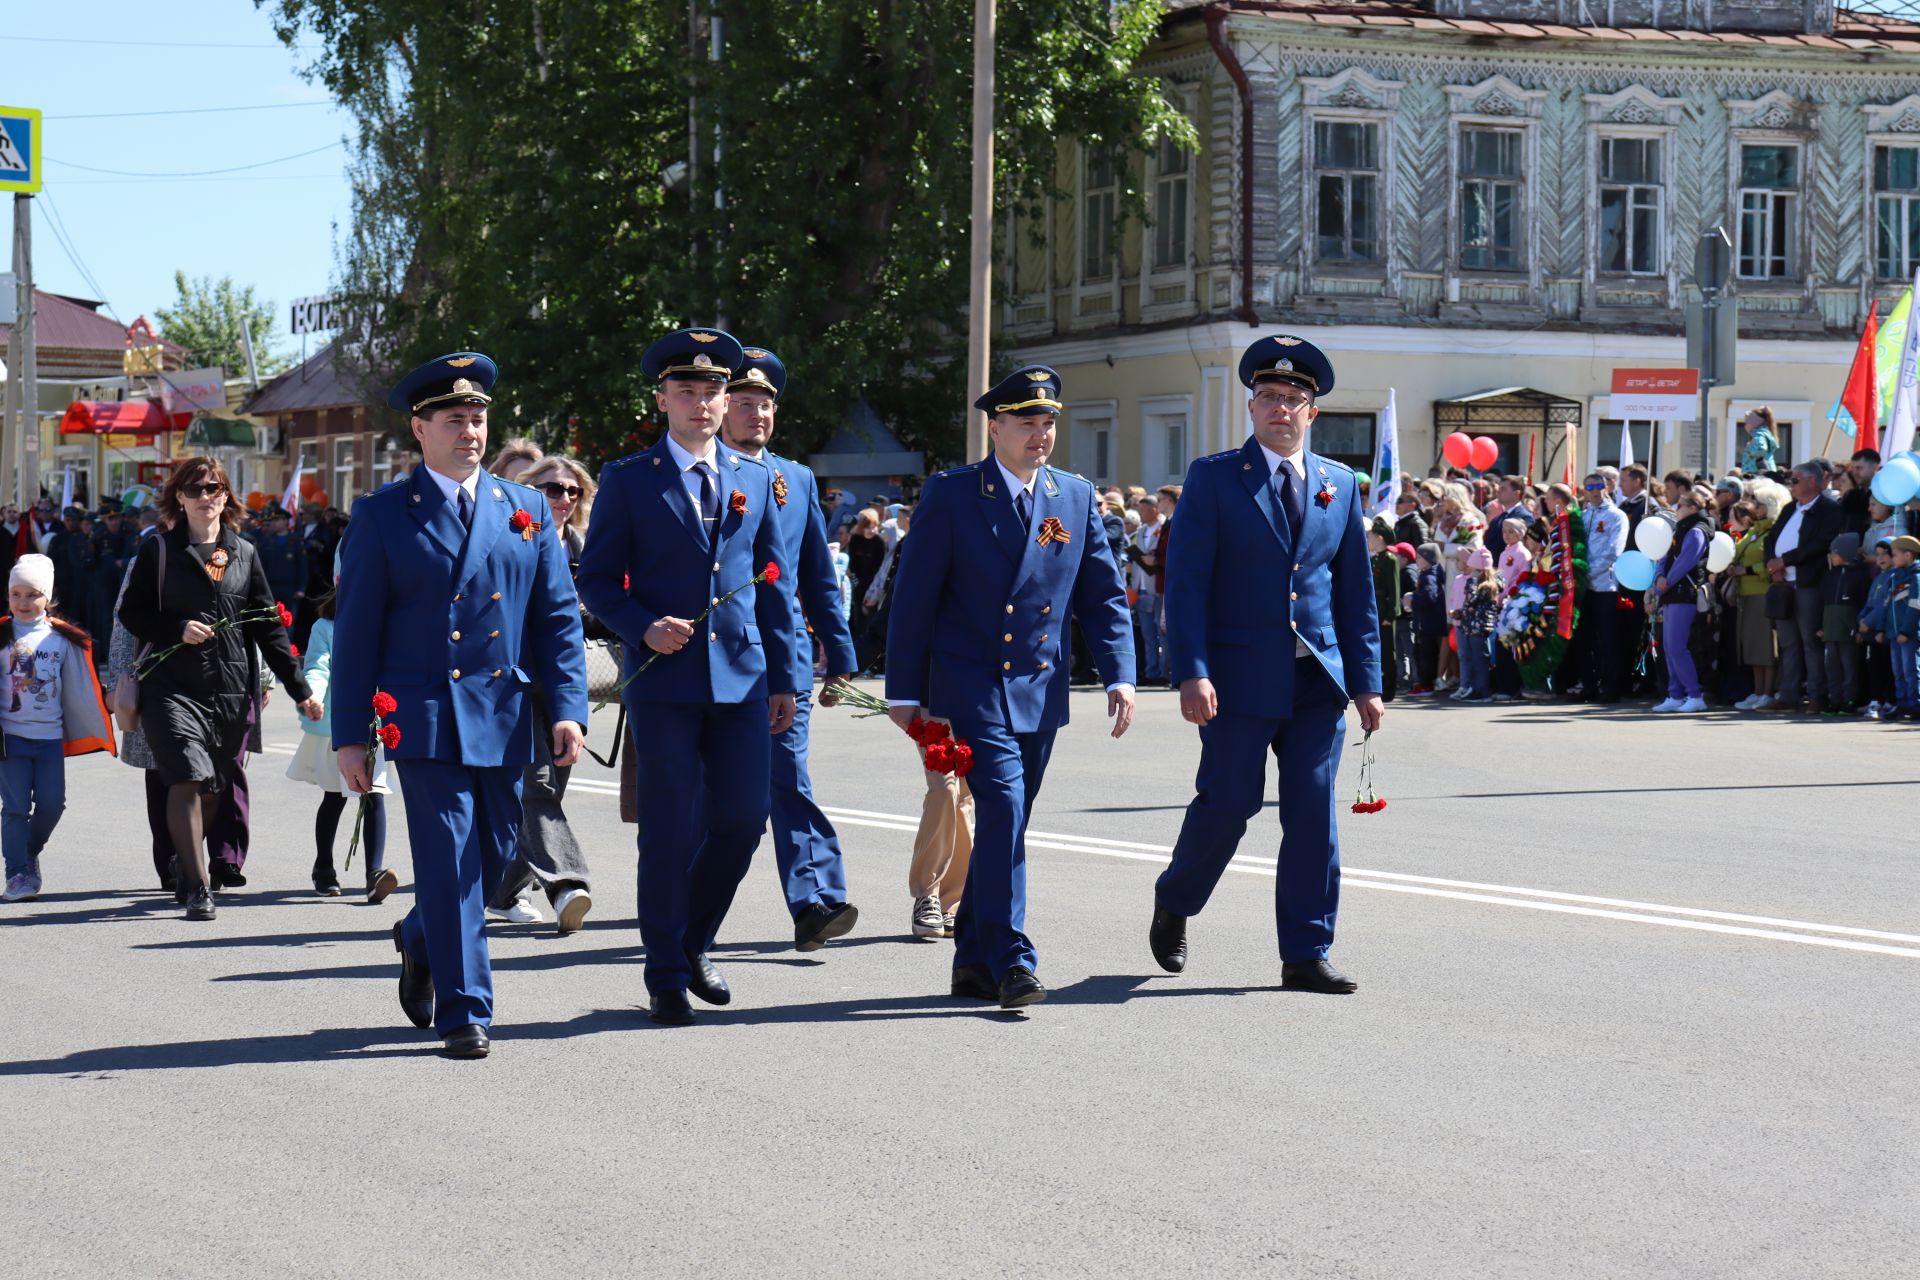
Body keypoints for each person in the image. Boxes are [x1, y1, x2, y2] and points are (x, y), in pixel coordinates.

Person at [333, 353, 588, 1058]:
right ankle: (465, 1009)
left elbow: (556, 618)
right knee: (447, 859)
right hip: (424, 710)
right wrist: (350, 735)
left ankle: (419, 937)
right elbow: (356, 633)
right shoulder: (384, 515)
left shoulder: (526, 509)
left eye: (478, 419)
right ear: (420, 429)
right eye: (455, 420)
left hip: (506, 711)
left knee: (495, 854)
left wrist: (568, 705)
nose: (471, 432)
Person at [885, 363, 1135, 1010]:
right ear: (994, 426)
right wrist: (904, 692)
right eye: (1027, 420)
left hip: (1040, 685)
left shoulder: (1074, 498)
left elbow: (1102, 594)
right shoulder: (954, 494)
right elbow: (914, 600)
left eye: (1048, 421)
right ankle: (1013, 959)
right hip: (970, 681)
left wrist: (1121, 674)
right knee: (1004, 808)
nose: (1040, 433)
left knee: (1009, 825)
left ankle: (970, 961)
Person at [576, 328, 796, 1026]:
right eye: (687, 392)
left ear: (725, 399)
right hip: (663, 681)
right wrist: (642, 624)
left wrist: (786, 676)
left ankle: (694, 938)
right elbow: (597, 579)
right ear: (664, 399)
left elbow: (773, 583)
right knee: (668, 829)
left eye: (711, 392)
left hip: (742, 677)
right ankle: (666, 971)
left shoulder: (756, 478)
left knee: (742, 820)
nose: (701, 404)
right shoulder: (628, 478)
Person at [1152, 334, 1381, 994]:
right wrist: (1190, 670)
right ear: (1251, 408)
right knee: (1229, 802)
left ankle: (1306, 951)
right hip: (1236, 680)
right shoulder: (1215, 477)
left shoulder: (1339, 484)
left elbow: (1354, 593)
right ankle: (1177, 899)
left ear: (1315, 414)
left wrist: (1367, 682)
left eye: (1295, 399)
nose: (1282, 408)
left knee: (1313, 812)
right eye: (1270, 397)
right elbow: (1187, 583)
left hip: (1316, 679)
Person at [120, 459, 321, 922]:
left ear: (227, 496)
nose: (205, 496)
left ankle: (185, 859)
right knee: (186, 776)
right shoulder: (160, 551)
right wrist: (175, 628)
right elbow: (131, 612)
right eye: (195, 489)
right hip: (170, 686)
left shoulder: (245, 554)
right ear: (180, 498)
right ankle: (196, 886)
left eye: (214, 488)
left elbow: (269, 627)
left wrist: (300, 689)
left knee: (213, 783)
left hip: (229, 690)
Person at [717, 346, 863, 948]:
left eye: (767, 403)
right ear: (721, 408)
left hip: (785, 660)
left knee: (788, 778)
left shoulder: (796, 478)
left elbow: (816, 576)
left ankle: (816, 901)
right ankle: (684, 902)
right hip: (716, 659)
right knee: (718, 796)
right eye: (745, 402)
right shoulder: (698, 471)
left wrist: (841, 653)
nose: (757, 413)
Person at [478, 453, 602, 935]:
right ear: (531, 491)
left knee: (544, 788)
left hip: (565, 685)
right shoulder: (510, 533)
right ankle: (566, 884)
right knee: (536, 788)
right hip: (510, 681)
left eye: (574, 491)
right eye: (552, 488)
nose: (564, 498)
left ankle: (499, 891)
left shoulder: (584, 546)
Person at [0, 556, 115, 903]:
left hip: (49, 737)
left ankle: (28, 851)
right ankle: (17, 872)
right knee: (16, 807)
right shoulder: (1, 635)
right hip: (10, 738)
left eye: (32, 594)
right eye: (15, 594)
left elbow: (81, 688)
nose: (22, 602)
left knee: (53, 806)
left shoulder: (65, 639)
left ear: (47, 597)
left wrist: (107, 703)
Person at [289, 586, 398, 902]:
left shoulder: (385, 624)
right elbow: (318, 665)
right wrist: (314, 696)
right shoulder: (325, 627)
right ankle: (324, 868)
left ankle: (373, 874)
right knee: (335, 797)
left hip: (374, 723)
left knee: (373, 796)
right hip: (336, 725)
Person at [1764, 461, 1843, 714]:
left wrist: (1785, 560)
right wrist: (1771, 564)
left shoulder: (1828, 509)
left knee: (1810, 641)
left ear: (1812, 481)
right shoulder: (1789, 508)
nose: (1791, 484)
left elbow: (1820, 544)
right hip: (1782, 584)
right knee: (1788, 642)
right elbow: (1771, 538)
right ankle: (1788, 694)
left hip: (1808, 583)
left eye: (1796, 480)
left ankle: (1817, 696)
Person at [1653, 487, 1714, 713]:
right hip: (1672, 592)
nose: (1676, 509)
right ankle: (1675, 693)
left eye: (1680, 505)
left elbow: (1686, 561)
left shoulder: (1697, 530)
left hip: (1684, 592)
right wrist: (1659, 576)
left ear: (1693, 508)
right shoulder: (1679, 530)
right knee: (1669, 647)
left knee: (1677, 646)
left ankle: (1695, 694)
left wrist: (1666, 580)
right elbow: (1666, 557)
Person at [1577, 471, 1628, 702]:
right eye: (1589, 487)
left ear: (1606, 487)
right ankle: (1588, 686)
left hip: (1605, 586)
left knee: (1607, 640)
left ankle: (1610, 689)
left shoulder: (1617, 516)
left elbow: (1614, 551)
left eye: (1598, 486)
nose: (1594, 491)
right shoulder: (1583, 515)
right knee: (1584, 640)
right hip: (1582, 587)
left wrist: (1586, 572)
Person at [1728, 496, 1780, 711]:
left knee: (1765, 648)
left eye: (1759, 505)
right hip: (1746, 594)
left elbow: (1771, 561)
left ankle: (1768, 692)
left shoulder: (1772, 531)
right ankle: (1758, 691)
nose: (1754, 508)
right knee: (1751, 647)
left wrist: (1747, 570)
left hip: (1762, 593)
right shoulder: (1754, 531)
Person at [1820, 532, 1870, 714]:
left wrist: (1859, 628)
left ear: (1845, 553)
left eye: (1834, 552)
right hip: (1830, 629)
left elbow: (1863, 602)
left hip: (1849, 630)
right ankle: (1835, 699)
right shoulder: (1829, 576)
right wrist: (1821, 626)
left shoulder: (1861, 575)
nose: (1831, 556)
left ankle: (1849, 700)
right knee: (1831, 667)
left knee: (1849, 666)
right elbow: (1823, 602)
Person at [1455, 549, 1500, 703]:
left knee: (1479, 660)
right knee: (1477, 659)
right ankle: (1476, 688)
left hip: (1476, 627)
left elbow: (1471, 602)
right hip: (1478, 626)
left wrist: (1471, 585)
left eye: (1474, 569)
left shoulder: (1479, 585)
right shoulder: (1492, 585)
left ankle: (1483, 691)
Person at [1883, 536, 1920, 719]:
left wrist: (1906, 631)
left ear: (1908, 555)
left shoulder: (1916, 578)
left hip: (1908, 634)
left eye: (1895, 554)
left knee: (1911, 670)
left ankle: (1915, 703)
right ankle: (1902, 703)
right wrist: (1884, 628)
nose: (1892, 558)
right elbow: (1888, 606)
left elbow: (1915, 606)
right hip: (1894, 634)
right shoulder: (1894, 577)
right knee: (1898, 671)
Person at [1367, 518, 1401, 701]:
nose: (1369, 540)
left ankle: (1389, 689)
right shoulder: (1376, 559)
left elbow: (1394, 588)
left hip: (1385, 609)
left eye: (1371, 536)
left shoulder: (1390, 559)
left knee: (1388, 652)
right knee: (1377, 651)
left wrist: (1391, 613)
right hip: (1375, 607)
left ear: (1380, 538)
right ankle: (1379, 685)